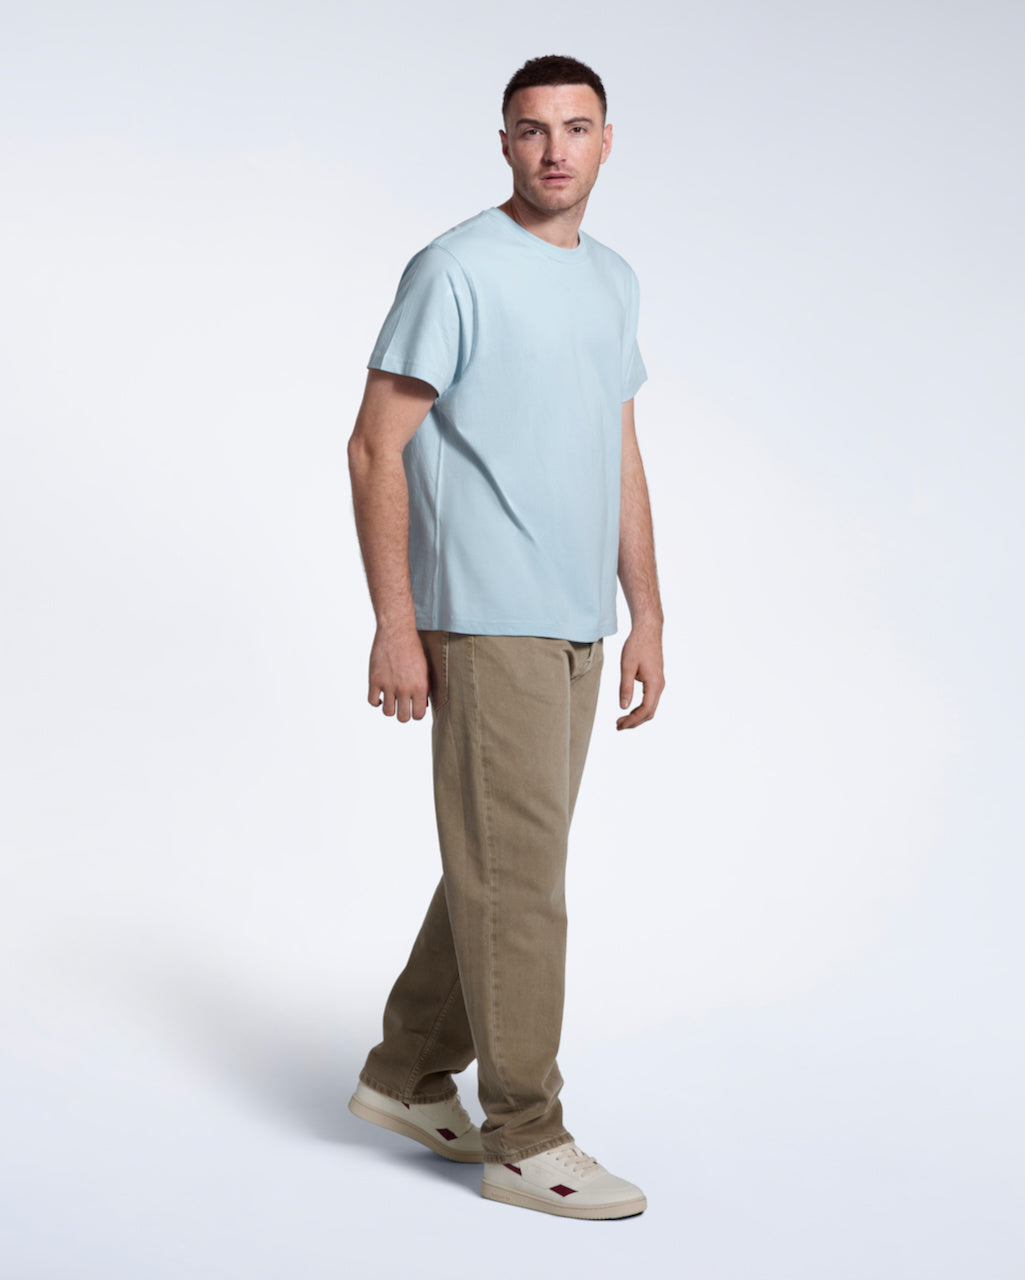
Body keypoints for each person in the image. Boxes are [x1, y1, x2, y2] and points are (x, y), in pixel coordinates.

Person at [346, 54, 665, 1220]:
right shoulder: (455, 269)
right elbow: (374, 446)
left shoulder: (613, 280)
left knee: (499, 866)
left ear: (605, 141)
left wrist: (648, 609)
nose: (553, 151)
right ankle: (525, 1133)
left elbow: (616, 447)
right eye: (531, 130)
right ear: (503, 143)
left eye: (574, 128)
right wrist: (396, 623)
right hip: (483, 618)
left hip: (576, 619)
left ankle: (401, 1072)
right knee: (521, 881)